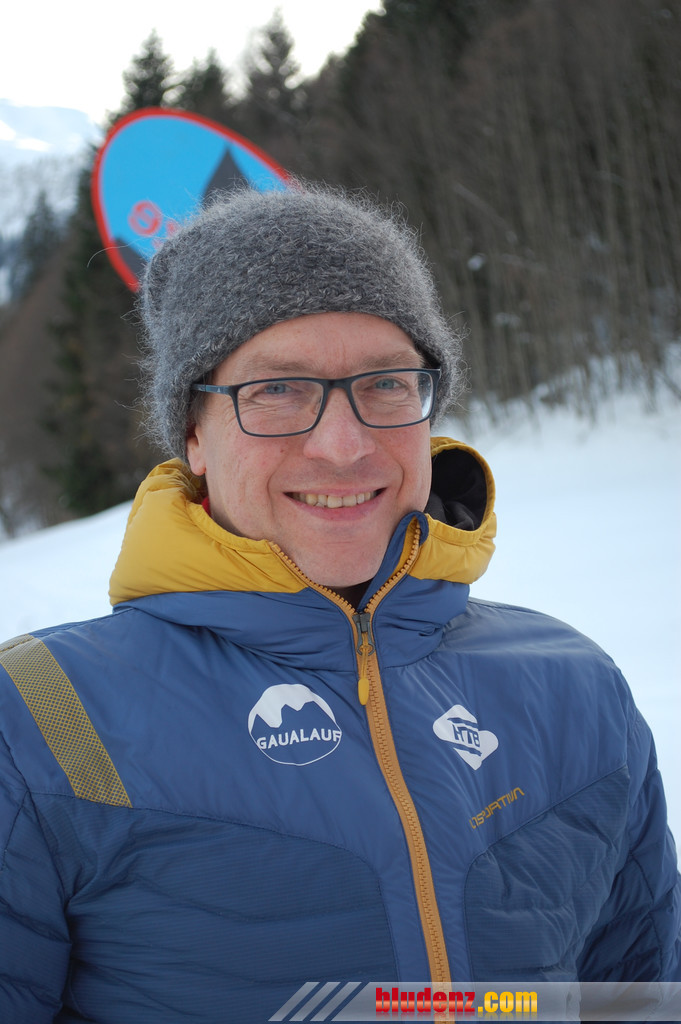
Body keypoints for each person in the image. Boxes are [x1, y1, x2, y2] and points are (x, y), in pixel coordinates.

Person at [0, 184, 679, 1023]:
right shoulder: (41, 716)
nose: (343, 443)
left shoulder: (575, 689)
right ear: (193, 434)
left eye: (385, 383)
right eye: (277, 390)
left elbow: (637, 996)